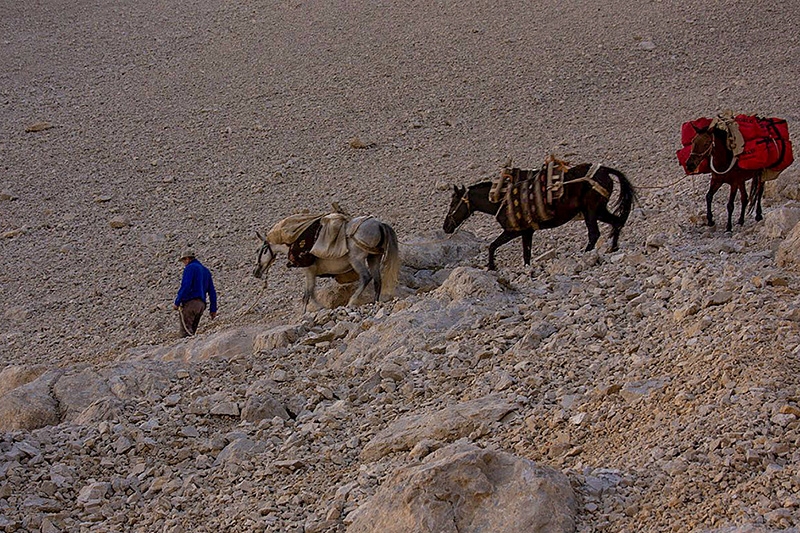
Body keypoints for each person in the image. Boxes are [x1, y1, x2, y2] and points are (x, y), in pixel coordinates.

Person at [173, 249, 218, 337]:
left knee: (185, 334)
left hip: (190, 303)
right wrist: (213, 309)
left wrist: (177, 302)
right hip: (201, 306)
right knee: (192, 333)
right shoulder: (206, 271)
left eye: (183, 261)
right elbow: (212, 292)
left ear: (187, 259)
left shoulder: (190, 268)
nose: (184, 263)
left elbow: (186, 285)